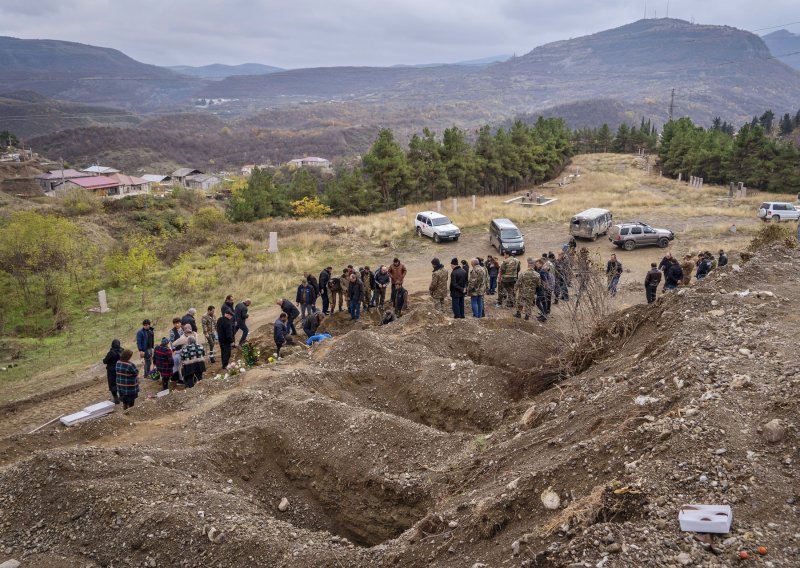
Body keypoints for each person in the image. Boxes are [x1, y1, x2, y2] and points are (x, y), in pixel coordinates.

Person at [102, 339, 123, 404]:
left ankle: (116, 398)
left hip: (111, 370)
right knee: (120, 382)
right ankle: (122, 396)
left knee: (112, 383)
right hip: (120, 368)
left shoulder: (111, 353)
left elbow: (105, 361)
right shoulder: (122, 350)